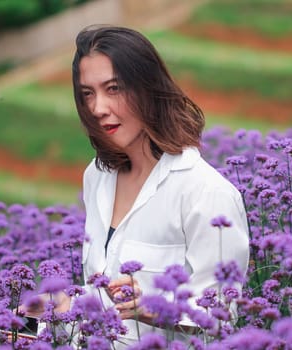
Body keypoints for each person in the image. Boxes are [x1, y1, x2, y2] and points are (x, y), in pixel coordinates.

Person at [33, 25, 250, 348]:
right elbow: (101, 304)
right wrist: (58, 310)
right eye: (88, 94)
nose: (97, 108)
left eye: (114, 88)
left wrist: (154, 310)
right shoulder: (96, 176)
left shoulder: (206, 192)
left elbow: (222, 312)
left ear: (148, 88)